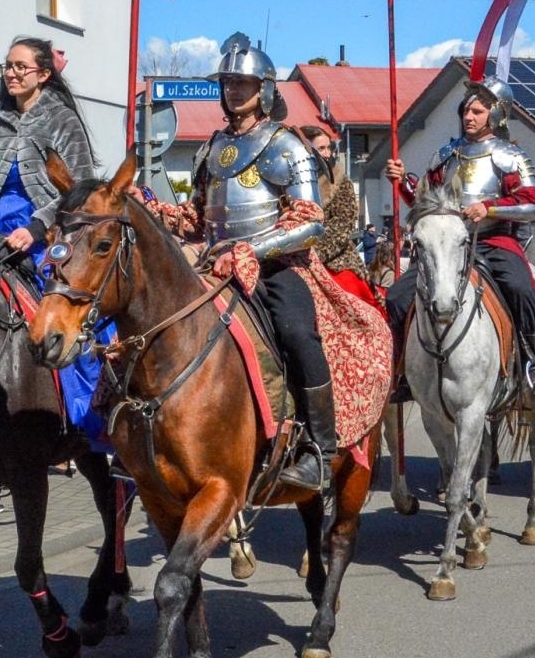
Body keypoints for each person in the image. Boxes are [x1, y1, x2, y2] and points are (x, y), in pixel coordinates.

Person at [149, 33, 337, 490]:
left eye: (243, 83)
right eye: (228, 83)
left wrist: (252, 249)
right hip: (214, 265)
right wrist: (152, 210)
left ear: (264, 89)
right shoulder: (212, 146)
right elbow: (197, 217)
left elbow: (311, 221)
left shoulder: (287, 146)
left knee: (296, 332)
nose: (233, 90)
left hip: (275, 267)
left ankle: (319, 450)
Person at [0, 35, 101, 515]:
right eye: (8, 66)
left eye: (21, 66)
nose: (12, 73)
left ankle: (86, 416)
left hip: (44, 236)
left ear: (44, 74)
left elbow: (80, 189)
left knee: (67, 313)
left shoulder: (62, 120)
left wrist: (37, 227)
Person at [388, 76, 535, 393]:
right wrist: (401, 183)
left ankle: (534, 364)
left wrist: (489, 209)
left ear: (496, 114)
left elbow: (532, 206)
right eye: (466, 110)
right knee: (396, 297)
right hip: (447, 244)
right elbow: (426, 202)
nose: (469, 116)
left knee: (521, 289)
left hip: (493, 242)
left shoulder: (510, 156)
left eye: (477, 111)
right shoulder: (446, 154)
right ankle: (401, 369)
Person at [305, 126, 370, 293]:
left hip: (335, 259)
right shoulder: (290, 182)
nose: (327, 154)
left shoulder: (341, 182)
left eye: (329, 148)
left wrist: (313, 255)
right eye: (321, 148)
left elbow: (343, 226)